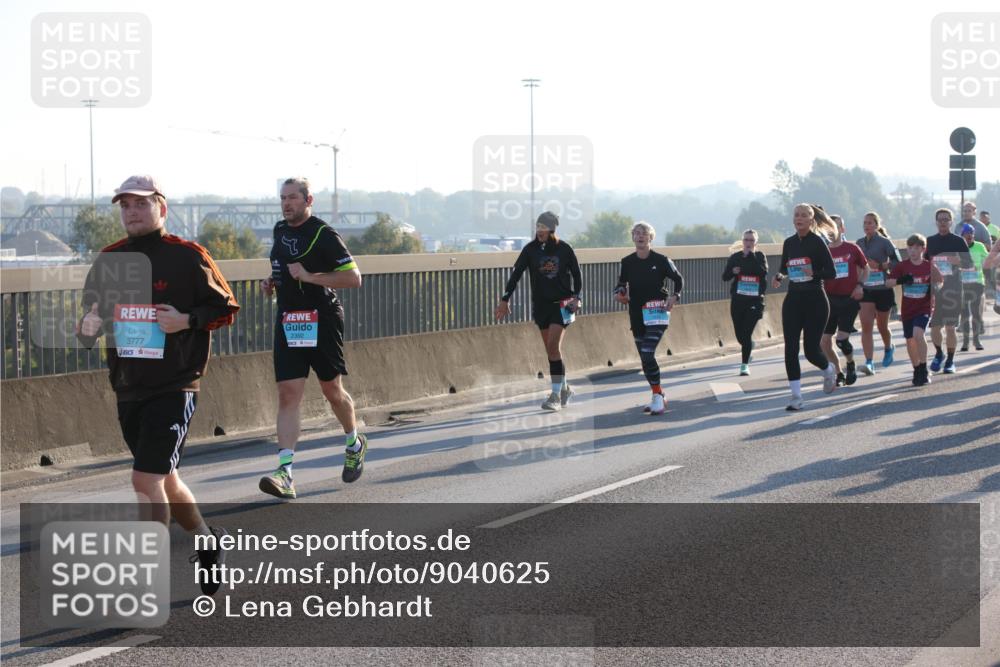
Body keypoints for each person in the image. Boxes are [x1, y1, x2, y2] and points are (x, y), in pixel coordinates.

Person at [76, 175, 240, 596]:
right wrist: (87, 326)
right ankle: (207, 541)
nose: (132, 212)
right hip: (129, 385)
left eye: (141, 204)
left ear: (161, 208)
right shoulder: (109, 259)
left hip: (175, 384)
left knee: (144, 481)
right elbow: (90, 319)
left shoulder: (187, 255)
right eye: (125, 205)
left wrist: (186, 320)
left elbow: (225, 307)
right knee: (164, 479)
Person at [258, 177, 365, 500]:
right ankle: (285, 473)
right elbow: (282, 266)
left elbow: (353, 278)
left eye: (293, 197)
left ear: (308, 200)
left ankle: (354, 443)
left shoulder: (323, 234)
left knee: (332, 391)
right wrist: (272, 281)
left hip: (322, 318)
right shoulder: (280, 230)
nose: (286, 203)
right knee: (288, 394)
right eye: (283, 198)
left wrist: (309, 276)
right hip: (290, 320)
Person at [495, 211, 582, 411]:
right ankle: (565, 389)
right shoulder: (530, 250)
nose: (539, 230)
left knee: (553, 346)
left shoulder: (564, 249)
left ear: (552, 229)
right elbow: (516, 275)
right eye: (538, 226)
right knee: (552, 351)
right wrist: (505, 299)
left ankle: (555, 396)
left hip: (562, 305)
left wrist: (577, 297)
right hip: (541, 306)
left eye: (543, 227)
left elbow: (577, 275)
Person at [771, 204, 839, 411]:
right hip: (793, 299)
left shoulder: (818, 242)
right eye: (796, 215)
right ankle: (796, 396)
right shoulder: (789, 243)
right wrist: (779, 276)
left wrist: (813, 273)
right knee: (790, 349)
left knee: (811, 351)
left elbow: (831, 272)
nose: (799, 218)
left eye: (803, 215)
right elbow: (784, 268)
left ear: (811, 220)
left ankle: (828, 370)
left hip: (815, 300)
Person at [615, 222, 683, 414]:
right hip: (636, 313)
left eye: (644, 233)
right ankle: (658, 393)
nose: (640, 236)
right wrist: (619, 294)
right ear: (633, 237)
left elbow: (679, 280)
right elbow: (621, 284)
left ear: (650, 238)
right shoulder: (627, 261)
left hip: (657, 312)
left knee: (647, 353)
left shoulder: (661, 260)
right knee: (645, 359)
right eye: (636, 233)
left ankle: (657, 398)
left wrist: (675, 296)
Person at [886, 234, 943, 386]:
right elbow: (888, 283)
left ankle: (923, 368)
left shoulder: (929, 266)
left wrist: (933, 288)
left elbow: (940, 282)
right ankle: (917, 369)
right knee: (910, 340)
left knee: (918, 334)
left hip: (924, 307)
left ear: (923, 249)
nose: (913, 251)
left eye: (917, 248)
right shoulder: (902, 266)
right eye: (910, 247)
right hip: (908, 308)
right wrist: (901, 280)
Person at [821, 215, 869, 386]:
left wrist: (860, 285)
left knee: (841, 340)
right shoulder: (823, 250)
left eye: (836, 226)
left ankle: (850, 363)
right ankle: (839, 373)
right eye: (829, 227)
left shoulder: (852, 248)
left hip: (849, 299)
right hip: (829, 300)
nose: (832, 230)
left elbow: (866, 268)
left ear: (842, 229)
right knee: (824, 342)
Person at [926, 208, 973, 374]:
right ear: (936, 222)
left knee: (950, 327)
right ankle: (939, 353)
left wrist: (957, 261)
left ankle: (951, 361)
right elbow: (922, 264)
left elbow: (969, 264)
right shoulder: (930, 241)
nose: (943, 222)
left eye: (946, 219)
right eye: (940, 219)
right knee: (935, 327)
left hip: (953, 289)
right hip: (935, 290)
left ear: (951, 222)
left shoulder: (958, 241)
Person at [856, 211, 901, 375]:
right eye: (865, 223)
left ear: (876, 225)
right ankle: (869, 362)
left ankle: (889, 347)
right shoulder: (859, 243)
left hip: (883, 289)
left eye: (870, 223)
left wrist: (880, 266)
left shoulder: (884, 242)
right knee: (866, 325)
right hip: (866, 289)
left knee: (882, 326)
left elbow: (898, 262)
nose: (867, 226)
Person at [722, 228, 767, 376]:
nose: (748, 243)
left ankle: (744, 365)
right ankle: (749, 346)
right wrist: (733, 272)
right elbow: (725, 277)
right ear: (742, 241)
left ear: (756, 242)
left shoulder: (759, 256)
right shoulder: (735, 257)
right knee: (740, 336)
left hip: (755, 301)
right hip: (738, 300)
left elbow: (763, 272)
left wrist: (751, 256)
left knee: (746, 333)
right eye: (746, 240)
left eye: (751, 240)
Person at [958, 223, 988, 351]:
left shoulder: (979, 246)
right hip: (963, 284)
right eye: (966, 233)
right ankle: (965, 342)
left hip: (977, 282)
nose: (969, 236)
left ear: (973, 235)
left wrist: (980, 265)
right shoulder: (958, 248)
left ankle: (976, 340)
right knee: (964, 313)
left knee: (975, 312)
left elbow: (987, 261)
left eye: (971, 233)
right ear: (962, 235)